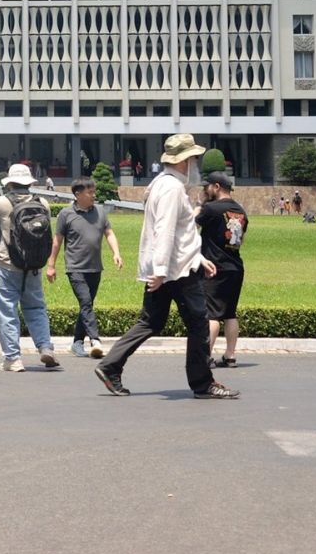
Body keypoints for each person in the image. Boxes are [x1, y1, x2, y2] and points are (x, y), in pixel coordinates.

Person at [93, 133, 238, 400]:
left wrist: (197, 258)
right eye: (193, 159)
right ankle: (203, 383)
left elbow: (179, 233)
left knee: (151, 322)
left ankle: (110, 366)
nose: (196, 164)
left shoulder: (160, 183)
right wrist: (161, 271)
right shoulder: (172, 189)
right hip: (176, 271)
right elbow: (166, 231)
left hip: (170, 267)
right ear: (183, 161)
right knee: (199, 324)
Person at [0, 165, 60, 372]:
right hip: (34, 264)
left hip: (7, 264)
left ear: (9, 183)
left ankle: (13, 358)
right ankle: (45, 347)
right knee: (36, 308)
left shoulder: (2, 202)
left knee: (7, 311)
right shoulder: (43, 203)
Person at [53, 176, 123, 359]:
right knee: (85, 302)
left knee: (87, 305)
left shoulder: (100, 211)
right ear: (78, 194)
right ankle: (95, 340)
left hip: (95, 267)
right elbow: (57, 241)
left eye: (94, 191)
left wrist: (116, 253)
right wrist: (51, 265)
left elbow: (109, 233)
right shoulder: (66, 214)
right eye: (90, 192)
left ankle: (77, 342)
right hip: (75, 267)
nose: (94, 195)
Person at [196, 172, 249, 368]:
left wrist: (199, 206)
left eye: (207, 187)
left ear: (216, 187)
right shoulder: (241, 211)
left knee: (212, 314)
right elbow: (241, 240)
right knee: (230, 313)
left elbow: (191, 226)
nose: (205, 190)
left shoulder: (211, 209)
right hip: (235, 266)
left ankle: (205, 357)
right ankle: (230, 355)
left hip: (214, 267)